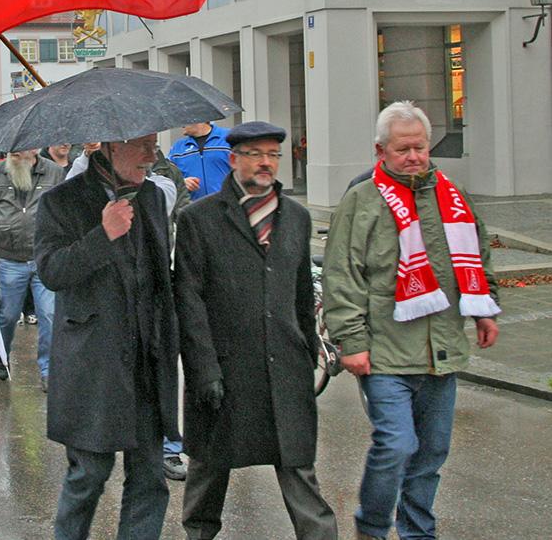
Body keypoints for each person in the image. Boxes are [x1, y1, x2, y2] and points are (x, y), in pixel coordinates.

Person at [323, 101, 500, 540]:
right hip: (384, 351)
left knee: (432, 453)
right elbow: (342, 275)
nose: (414, 157)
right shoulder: (361, 200)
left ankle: (419, 532)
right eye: (403, 149)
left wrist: (483, 307)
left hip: (441, 350)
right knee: (397, 446)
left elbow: (476, 255)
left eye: (420, 147)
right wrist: (351, 340)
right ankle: (373, 528)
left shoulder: (451, 196)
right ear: (380, 150)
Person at [175, 122, 337, 540]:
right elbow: (189, 301)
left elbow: (303, 294)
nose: (265, 163)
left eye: (272, 155)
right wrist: (203, 370)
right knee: (210, 468)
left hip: (283, 367)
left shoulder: (296, 218)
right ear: (234, 160)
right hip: (225, 370)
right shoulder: (200, 220)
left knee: (298, 467)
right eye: (255, 154)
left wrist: (305, 355)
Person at [36, 134, 181, 540]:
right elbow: (52, 271)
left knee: (151, 478)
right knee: (89, 476)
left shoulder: (151, 196)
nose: (153, 155)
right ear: (111, 146)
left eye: (155, 145)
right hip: (93, 362)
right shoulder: (60, 201)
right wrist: (104, 234)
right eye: (144, 145)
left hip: (147, 359)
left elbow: (159, 273)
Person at [0, 149, 64, 391]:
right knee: (9, 315)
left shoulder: (54, 173)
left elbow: (65, 211)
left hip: (44, 256)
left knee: (49, 315)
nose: (17, 151)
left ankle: (49, 370)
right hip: (10, 258)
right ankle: (1, 356)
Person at [168, 121, 231, 201]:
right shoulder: (177, 147)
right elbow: (166, 177)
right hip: (192, 208)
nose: (181, 123)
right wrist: (181, 182)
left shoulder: (228, 138)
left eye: (184, 117)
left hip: (227, 206)